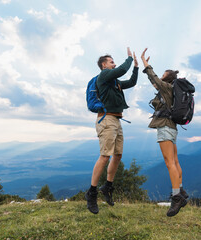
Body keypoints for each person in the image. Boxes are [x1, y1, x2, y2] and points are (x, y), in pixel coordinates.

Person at [85, 47, 139, 214]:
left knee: (118, 155)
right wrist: (129, 59)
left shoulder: (113, 82)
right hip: (106, 120)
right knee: (105, 156)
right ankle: (91, 193)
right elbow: (122, 69)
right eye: (111, 61)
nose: (114, 63)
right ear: (103, 65)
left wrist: (136, 68)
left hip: (116, 119)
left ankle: (107, 187)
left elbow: (131, 82)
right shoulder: (104, 76)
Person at [140, 48, 188, 217]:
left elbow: (153, 77)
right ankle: (181, 191)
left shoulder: (166, 88)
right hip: (172, 128)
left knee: (169, 163)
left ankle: (176, 197)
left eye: (163, 74)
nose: (160, 76)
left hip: (165, 128)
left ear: (167, 78)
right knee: (175, 161)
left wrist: (145, 63)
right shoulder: (169, 90)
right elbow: (154, 82)